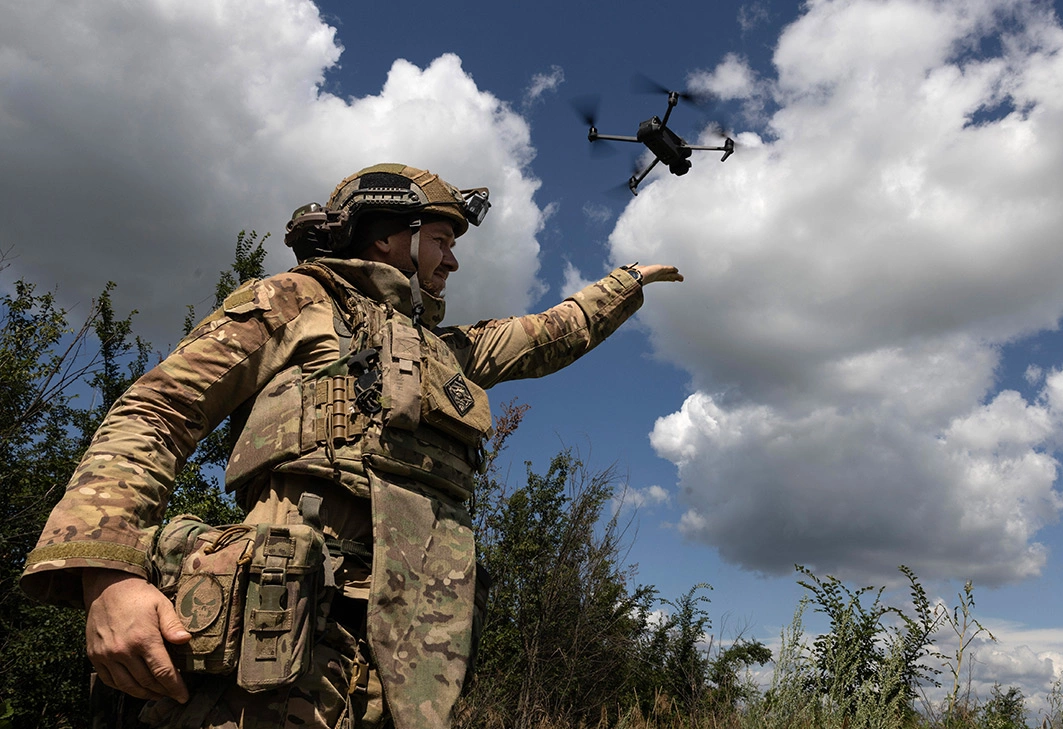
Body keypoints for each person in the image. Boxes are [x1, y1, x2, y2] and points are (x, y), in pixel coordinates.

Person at [21, 163, 682, 729]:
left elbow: (546, 334)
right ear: (388, 233)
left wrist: (627, 282)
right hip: (279, 644)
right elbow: (159, 410)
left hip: (411, 661)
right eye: (442, 239)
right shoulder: (295, 299)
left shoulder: (451, 352)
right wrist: (108, 575)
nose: (451, 260)